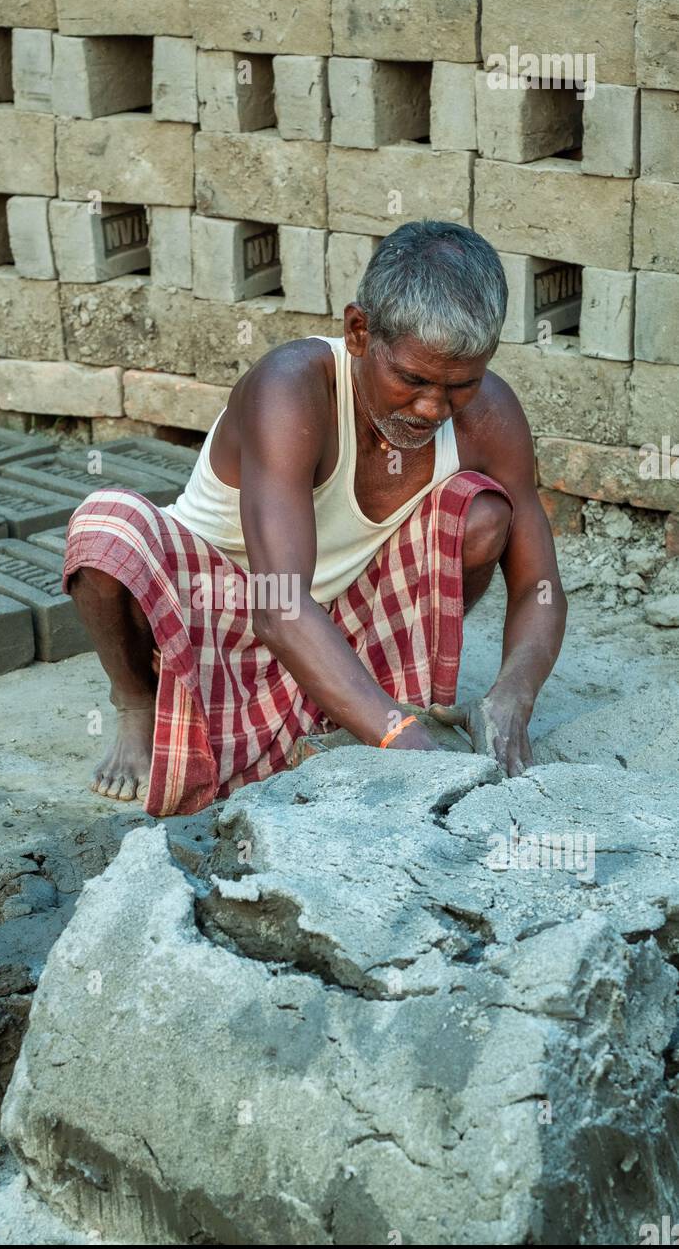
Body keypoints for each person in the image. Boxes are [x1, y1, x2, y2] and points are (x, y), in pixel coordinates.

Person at [63, 220, 567, 816]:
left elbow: (540, 586)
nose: (433, 408)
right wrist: (401, 739)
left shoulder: (491, 415)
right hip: (215, 615)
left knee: (483, 516)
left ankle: (364, 701)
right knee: (106, 527)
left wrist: (514, 693)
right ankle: (136, 701)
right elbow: (277, 606)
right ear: (358, 332)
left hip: (343, 632)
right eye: (411, 379)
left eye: (461, 384)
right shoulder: (292, 389)